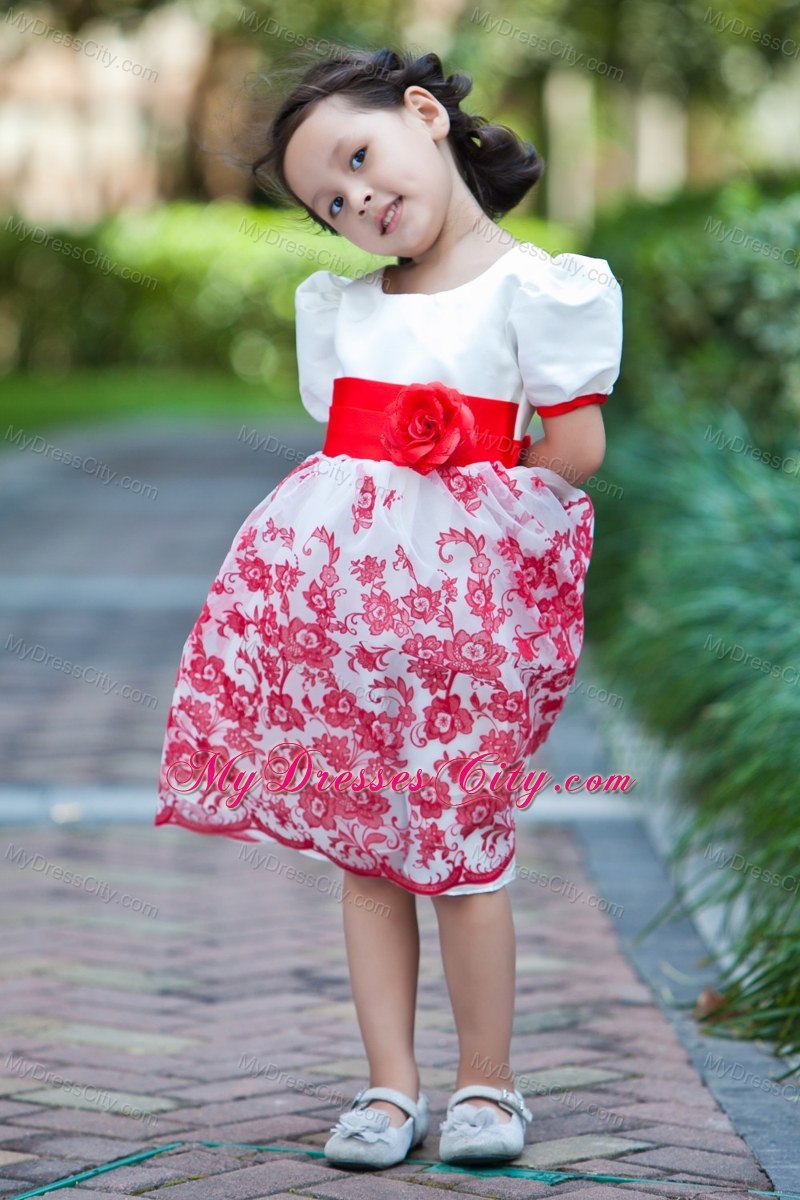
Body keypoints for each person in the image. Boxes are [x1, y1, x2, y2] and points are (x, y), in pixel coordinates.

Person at [154, 43, 623, 1171]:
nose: (358, 199)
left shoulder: (537, 288)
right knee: (368, 854)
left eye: (360, 158)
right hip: (348, 628)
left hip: (465, 620)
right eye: (331, 200)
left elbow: (573, 451)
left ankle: (486, 1086)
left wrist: (467, 475)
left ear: (423, 115)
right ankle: (386, 1087)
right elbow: (338, 469)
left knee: (461, 849)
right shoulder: (345, 311)